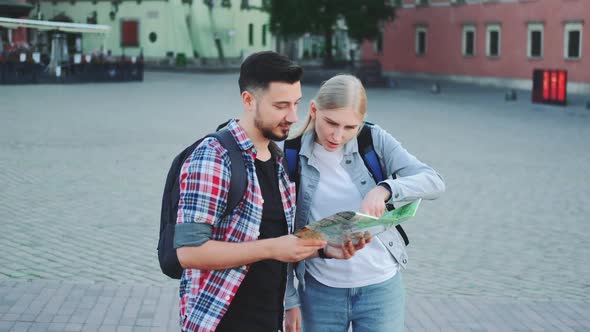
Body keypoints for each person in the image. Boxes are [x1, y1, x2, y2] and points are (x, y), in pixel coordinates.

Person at [173, 52, 363, 332]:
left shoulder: (277, 159)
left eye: (296, 104)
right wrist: (274, 247)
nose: (293, 116)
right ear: (249, 101)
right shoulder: (214, 157)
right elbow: (188, 252)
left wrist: (324, 250)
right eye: (281, 105)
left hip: (266, 320)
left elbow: (273, 241)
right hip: (219, 321)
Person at [284, 74, 446, 332]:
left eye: (350, 127)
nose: (338, 135)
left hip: (380, 289)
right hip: (318, 292)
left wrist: (385, 189)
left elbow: (433, 181)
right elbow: (279, 234)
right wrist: (289, 302)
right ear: (314, 110)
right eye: (331, 123)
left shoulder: (373, 139)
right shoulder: (288, 154)